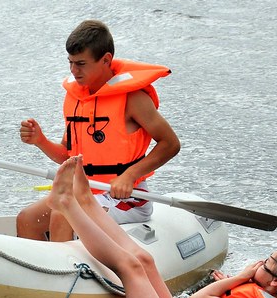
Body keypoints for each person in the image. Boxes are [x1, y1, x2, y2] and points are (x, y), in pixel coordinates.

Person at [48, 156, 277, 298]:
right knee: (145, 259)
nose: (258, 265)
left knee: (130, 266)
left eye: (266, 264)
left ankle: (67, 206)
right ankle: (87, 202)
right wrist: (233, 283)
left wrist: (239, 278)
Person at [17, 20, 181, 240]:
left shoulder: (133, 99)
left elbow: (171, 144)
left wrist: (129, 176)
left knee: (62, 215)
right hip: (85, 190)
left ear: (106, 59)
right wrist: (40, 141)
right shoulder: (77, 98)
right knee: (27, 219)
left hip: (128, 198)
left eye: (81, 64)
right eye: (70, 62)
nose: (73, 70)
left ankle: (64, 262)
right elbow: (67, 156)